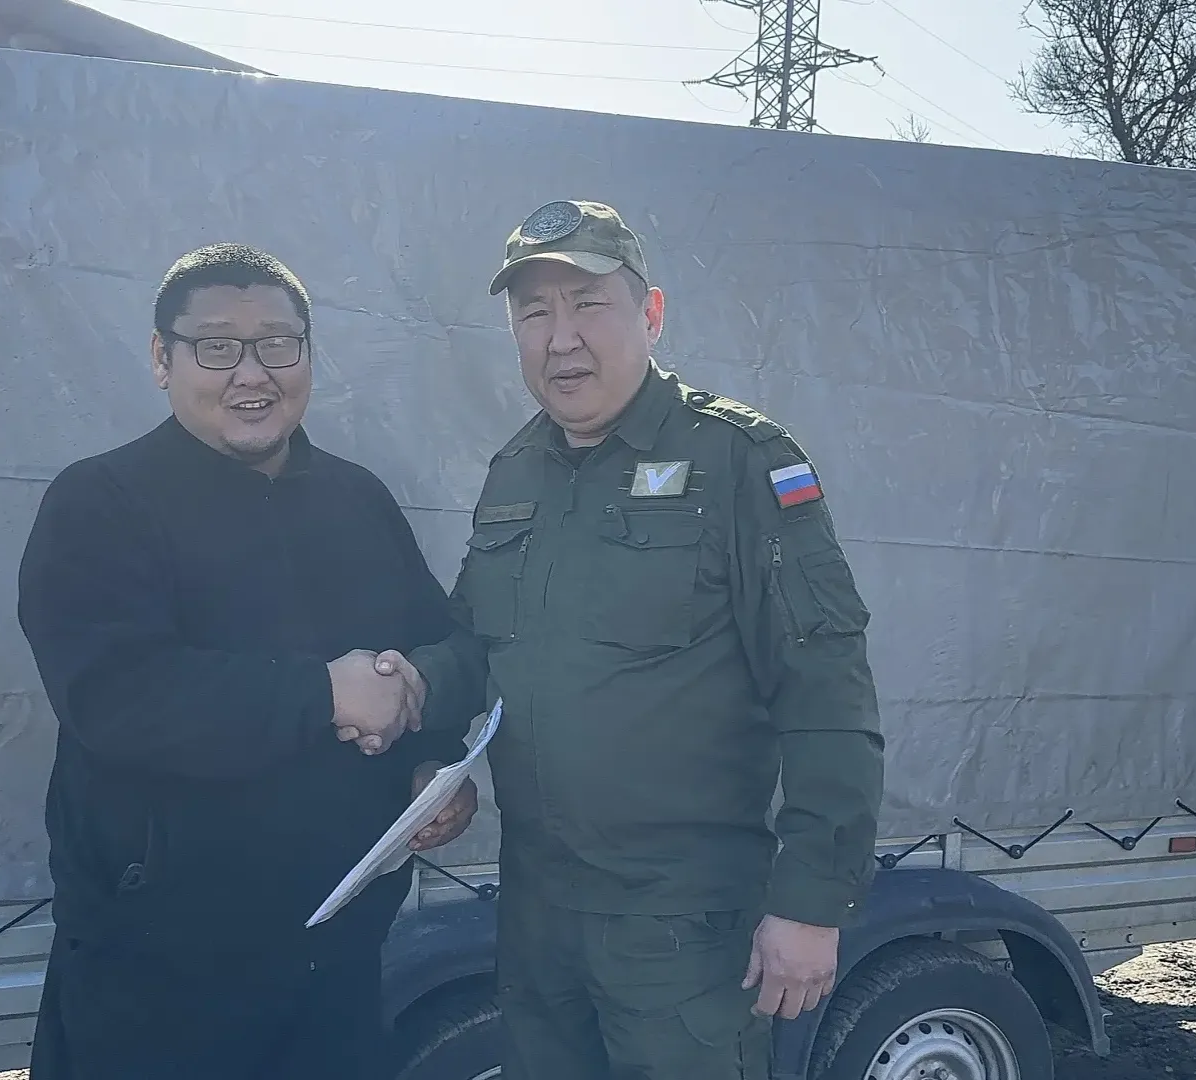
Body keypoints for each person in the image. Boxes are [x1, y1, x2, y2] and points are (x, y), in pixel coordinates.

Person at [357, 200, 885, 1080]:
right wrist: (409, 687)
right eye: (533, 312)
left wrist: (811, 902)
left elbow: (824, 686)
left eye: (587, 304)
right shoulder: (516, 471)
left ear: (651, 313)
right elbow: (478, 647)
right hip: (537, 918)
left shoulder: (738, 460)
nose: (560, 338)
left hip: (683, 930)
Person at [16, 242, 478, 1080]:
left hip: (336, 958)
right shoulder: (101, 501)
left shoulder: (356, 498)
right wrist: (320, 693)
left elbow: (428, 647)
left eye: (276, 344)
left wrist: (431, 768)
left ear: (308, 354)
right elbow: (114, 696)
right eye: (217, 347)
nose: (251, 373)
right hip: (157, 975)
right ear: (162, 358)